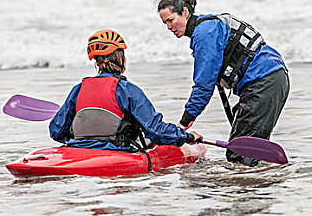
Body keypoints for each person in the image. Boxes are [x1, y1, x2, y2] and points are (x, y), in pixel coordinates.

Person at [157, 0, 289, 166]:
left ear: (185, 13)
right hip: (271, 79)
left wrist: (184, 123)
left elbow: (203, 86)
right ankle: (261, 185)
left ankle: (252, 192)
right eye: (165, 23)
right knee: (245, 153)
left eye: (171, 20)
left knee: (238, 157)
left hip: (264, 82)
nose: (169, 27)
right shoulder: (207, 28)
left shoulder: (205, 33)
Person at [49, 29, 202, 152]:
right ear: (120, 57)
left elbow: (56, 131)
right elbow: (156, 131)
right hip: (116, 152)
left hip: (78, 150)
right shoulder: (127, 90)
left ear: (96, 61)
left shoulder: (79, 89)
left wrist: (87, 139)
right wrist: (186, 136)